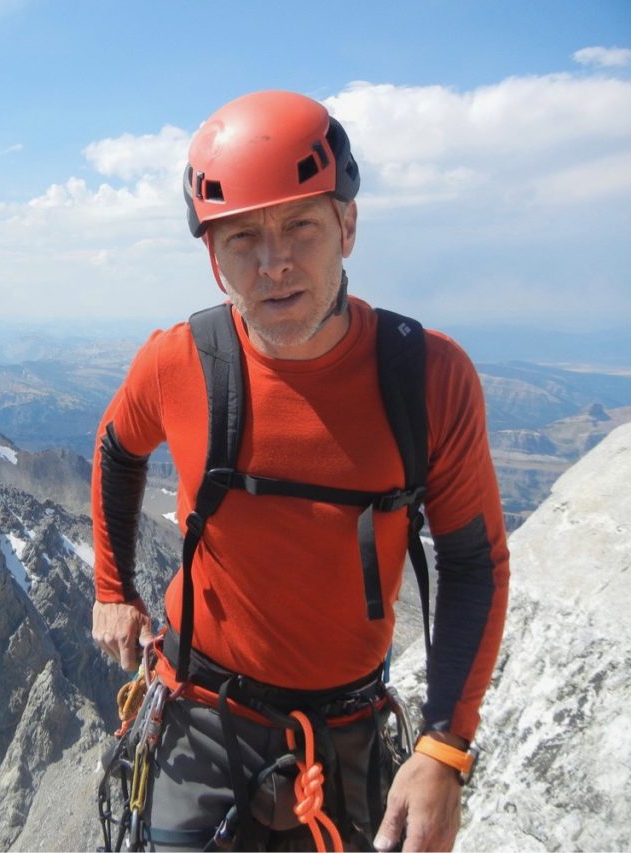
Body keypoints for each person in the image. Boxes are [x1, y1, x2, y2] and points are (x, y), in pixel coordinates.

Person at [91, 91, 509, 852]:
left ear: (347, 226)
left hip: (345, 732)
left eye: (301, 226)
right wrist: (113, 590)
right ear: (213, 258)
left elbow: (474, 562)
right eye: (242, 235)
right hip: (198, 712)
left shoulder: (428, 379)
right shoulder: (179, 363)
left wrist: (445, 748)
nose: (274, 262)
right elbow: (118, 447)